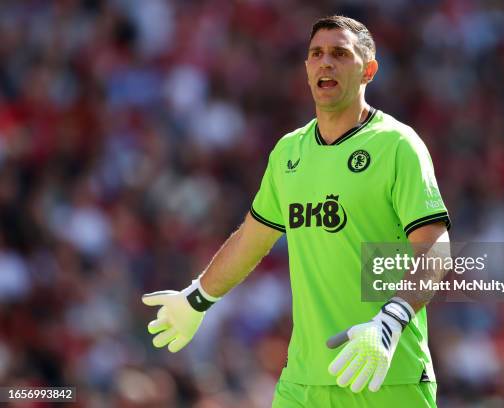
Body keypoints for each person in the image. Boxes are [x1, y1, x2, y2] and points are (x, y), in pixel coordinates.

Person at [142, 15, 451, 407]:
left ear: (368, 70)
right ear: (306, 69)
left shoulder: (398, 145)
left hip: (386, 376)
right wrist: (197, 297)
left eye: (340, 53)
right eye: (316, 54)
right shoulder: (289, 151)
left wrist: (390, 322)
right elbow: (252, 239)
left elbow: (435, 246)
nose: (326, 62)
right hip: (303, 382)